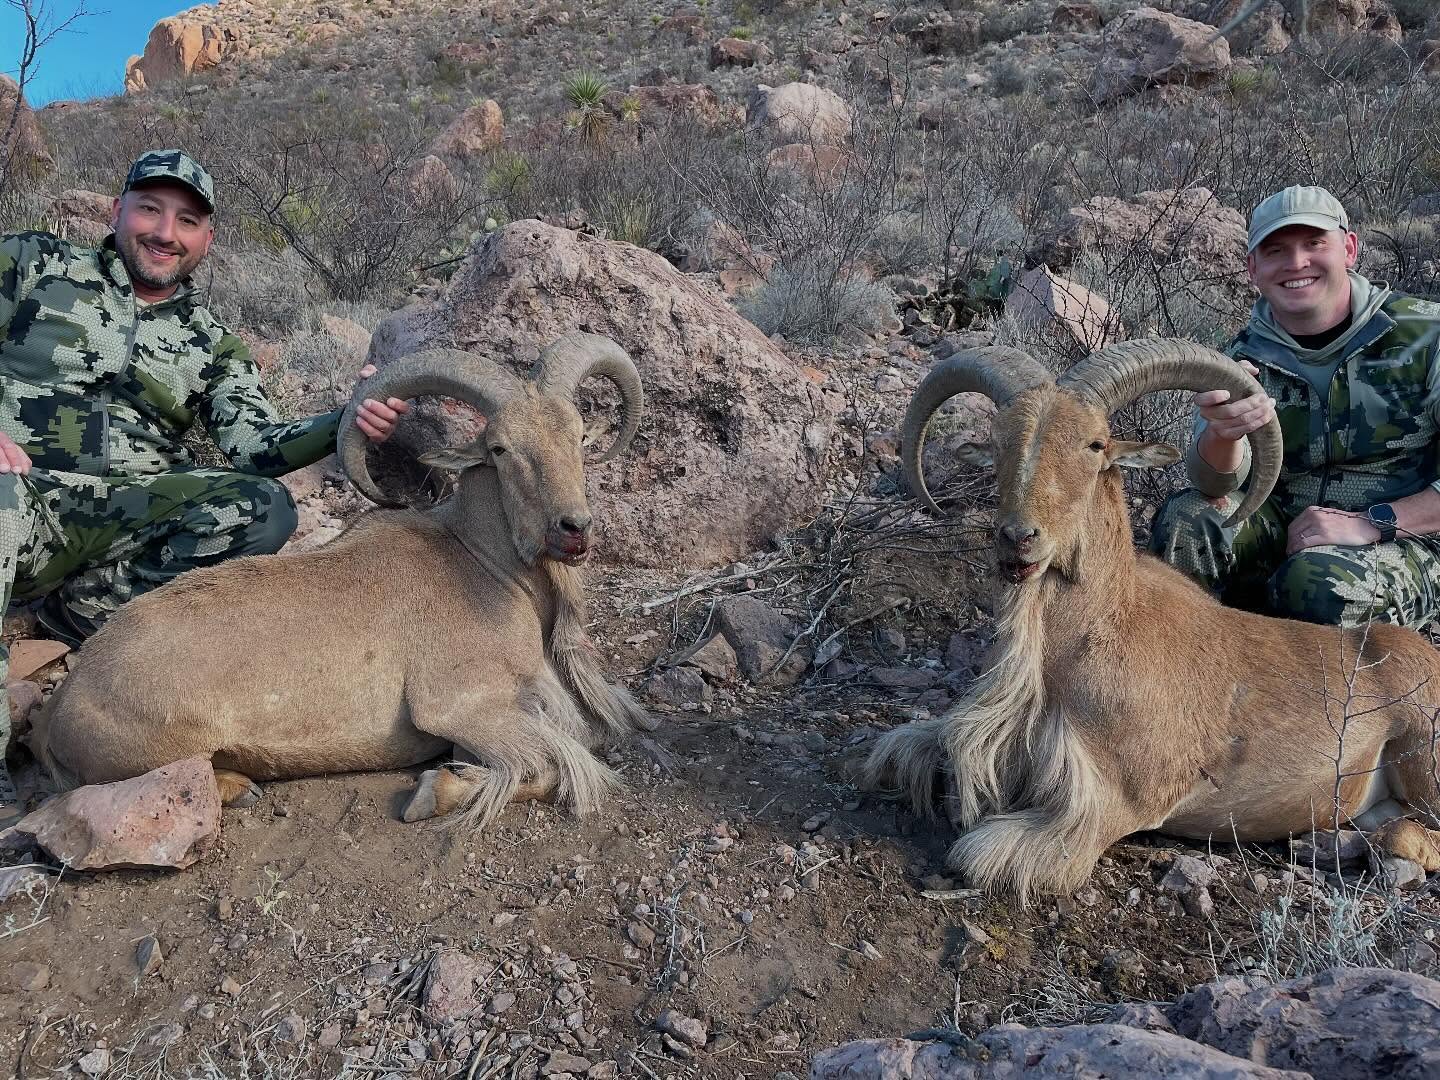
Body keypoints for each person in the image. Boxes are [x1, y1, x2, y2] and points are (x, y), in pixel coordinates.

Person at [0, 149, 410, 823]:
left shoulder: (212, 343)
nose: (165, 232)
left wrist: (346, 418)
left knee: (263, 508)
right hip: (14, 489)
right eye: (151, 209)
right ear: (117, 210)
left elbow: (256, 449)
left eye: (186, 220)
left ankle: (79, 620)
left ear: (206, 240)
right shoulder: (33, 263)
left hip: (115, 515)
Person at [1150, 184, 1440, 632]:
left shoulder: (1427, 334)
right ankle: (1192, 678)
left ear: (1349, 249)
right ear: (1253, 268)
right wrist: (1222, 434)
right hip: (1285, 530)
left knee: (1318, 585)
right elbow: (1214, 483)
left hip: (1408, 536)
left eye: (1314, 243)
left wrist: (1374, 523)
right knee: (1186, 520)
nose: (1297, 263)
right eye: (1276, 250)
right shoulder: (1238, 358)